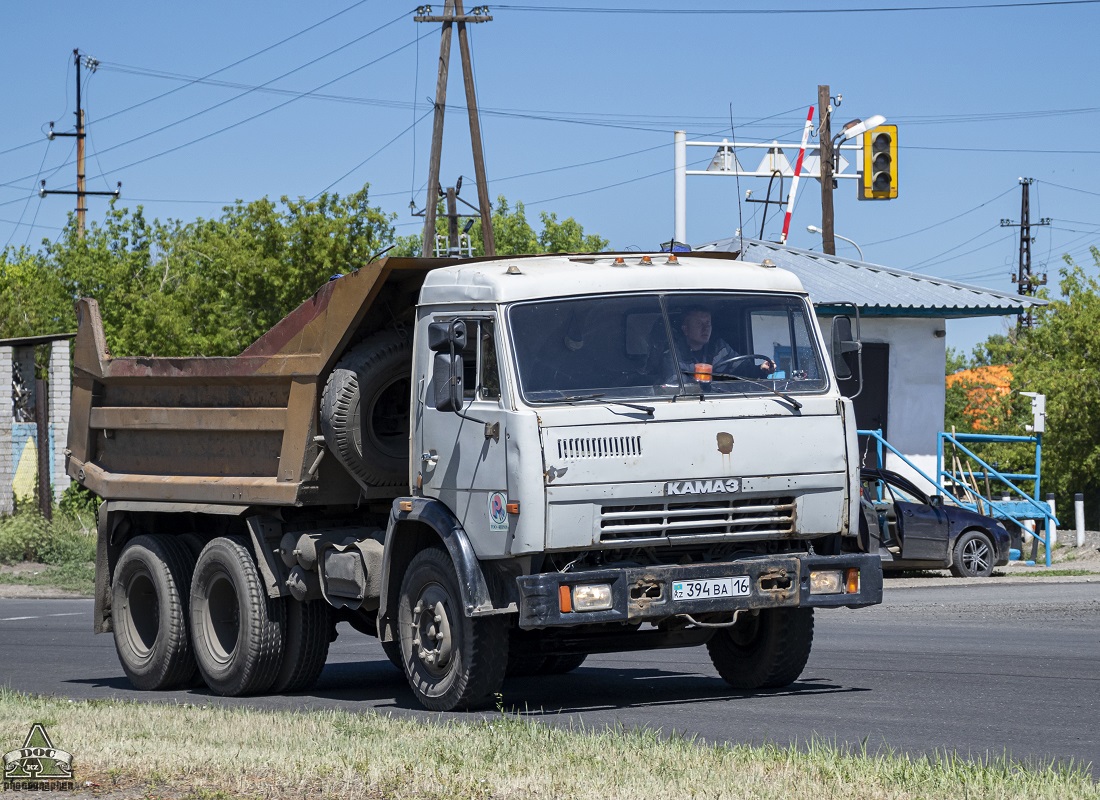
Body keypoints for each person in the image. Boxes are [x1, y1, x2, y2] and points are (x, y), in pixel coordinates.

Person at [651, 307, 774, 383]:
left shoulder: (719, 347)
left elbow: (740, 369)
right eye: (699, 323)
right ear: (686, 329)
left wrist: (760, 369)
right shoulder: (672, 354)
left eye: (708, 323)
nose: (706, 328)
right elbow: (676, 387)